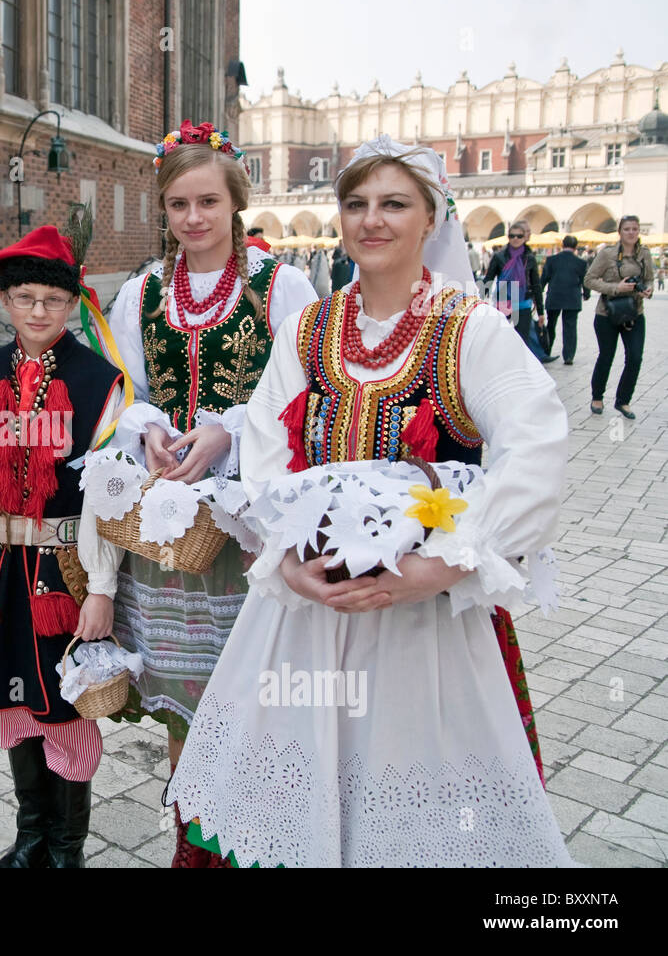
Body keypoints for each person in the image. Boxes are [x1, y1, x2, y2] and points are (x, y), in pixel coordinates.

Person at [165, 134, 574, 867]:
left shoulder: (467, 329)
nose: (371, 220)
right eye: (356, 204)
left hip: (426, 624)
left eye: (394, 204)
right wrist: (287, 560)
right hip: (307, 612)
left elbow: (537, 451)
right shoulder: (309, 329)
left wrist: (443, 565)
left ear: (431, 219)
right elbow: (262, 451)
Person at [107, 119, 318, 866]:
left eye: (207, 202)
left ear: (235, 204)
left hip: (247, 519)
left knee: (250, 686)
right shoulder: (144, 291)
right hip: (171, 524)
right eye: (177, 205)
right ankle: (192, 838)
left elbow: (299, 387)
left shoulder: (280, 285)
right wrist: (150, 430)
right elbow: (125, 384)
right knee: (184, 690)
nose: (192, 219)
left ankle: (253, 835)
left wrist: (228, 430)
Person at [0, 214, 125, 868]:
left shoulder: (98, 382)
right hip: (1, 566)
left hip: (66, 570)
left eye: (53, 299)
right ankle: (31, 834)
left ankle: (66, 848)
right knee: (9, 695)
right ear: (5, 300)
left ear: (73, 302)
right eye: (25, 297)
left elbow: (108, 493)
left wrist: (104, 588)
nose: (37, 309)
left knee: (65, 706)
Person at [585, 215, 654, 419]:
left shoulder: (645, 254)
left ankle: (623, 401)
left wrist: (647, 289)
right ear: (620, 232)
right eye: (627, 229)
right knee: (606, 356)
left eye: (634, 229)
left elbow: (649, 277)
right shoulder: (607, 254)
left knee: (635, 357)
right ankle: (597, 397)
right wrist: (616, 287)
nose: (631, 233)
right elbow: (589, 279)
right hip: (607, 312)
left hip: (634, 312)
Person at [484, 221, 557, 364]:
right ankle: (501, 363)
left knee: (523, 338)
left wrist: (541, 312)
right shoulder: (499, 256)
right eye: (512, 236)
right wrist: (480, 299)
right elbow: (489, 279)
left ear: (524, 238)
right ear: (508, 237)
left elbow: (536, 284)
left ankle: (520, 365)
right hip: (504, 300)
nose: (515, 239)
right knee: (501, 335)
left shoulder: (529, 258)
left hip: (523, 302)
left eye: (519, 236)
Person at [540, 234, 588, 364]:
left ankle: (546, 351)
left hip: (554, 296)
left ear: (562, 245)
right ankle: (568, 356)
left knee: (551, 325)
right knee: (570, 327)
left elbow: (543, 279)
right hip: (572, 298)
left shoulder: (551, 260)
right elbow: (585, 280)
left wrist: (538, 294)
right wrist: (586, 293)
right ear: (576, 247)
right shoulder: (581, 262)